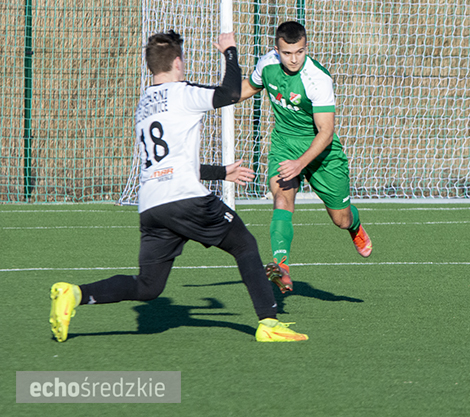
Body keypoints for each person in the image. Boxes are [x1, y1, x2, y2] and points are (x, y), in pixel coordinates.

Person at [49, 30, 308, 343]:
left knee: (148, 286)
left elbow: (169, 162)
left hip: (153, 205)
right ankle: (269, 323)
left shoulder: (144, 103)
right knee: (243, 244)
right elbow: (230, 94)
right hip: (186, 199)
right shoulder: (183, 92)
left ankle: (74, 294)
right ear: (176, 61)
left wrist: (220, 172)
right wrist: (230, 51)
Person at [239, 21, 372, 293]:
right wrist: (211, 98)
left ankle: (355, 226)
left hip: (321, 151)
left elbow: (326, 131)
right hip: (284, 144)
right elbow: (248, 88)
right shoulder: (267, 65)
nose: (294, 59)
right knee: (281, 197)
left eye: (299, 52)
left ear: (305, 48)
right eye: (287, 53)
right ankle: (281, 266)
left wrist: (301, 164)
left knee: (341, 219)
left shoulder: (317, 78)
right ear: (277, 50)